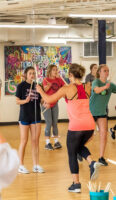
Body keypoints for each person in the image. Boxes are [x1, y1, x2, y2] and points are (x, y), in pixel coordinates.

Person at [36, 63, 101, 193]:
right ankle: (92, 162)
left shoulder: (67, 89)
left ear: (70, 75)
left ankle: (76, 184)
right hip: (89, 125)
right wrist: (51, 103)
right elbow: (58, 101)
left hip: (76, 125)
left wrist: (40, 90)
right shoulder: (87, 86)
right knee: (77, 147)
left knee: (72, 153)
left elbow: (48, 98)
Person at [15, 66, 44, 174]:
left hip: (36, 117)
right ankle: (20, 165)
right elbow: (17, 101)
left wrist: (45, 102)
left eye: (33, 73)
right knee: (24, 141)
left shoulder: (38, 86)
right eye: (30, 73)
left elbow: (40, 100)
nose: (32, 75)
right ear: (26, 75)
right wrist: (25, 100)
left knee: (35, 141)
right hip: (24, 116)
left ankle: (36, 165)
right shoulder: (21, 86)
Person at [89, 64, 116, 166]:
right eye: (105, 70)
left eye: (108, 71)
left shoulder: (111, 85)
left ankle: (101, 157)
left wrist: (108, 86)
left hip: (102, 113)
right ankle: (79, 149)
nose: (107, 72)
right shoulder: (96, 82)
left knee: (104, 135)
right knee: (90, 136)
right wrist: (105, 87)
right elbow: (96, 90)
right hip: (91, 112)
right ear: (99, 72)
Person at [42, 64, 65, 150]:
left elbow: (65, 87)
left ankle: (56, 141)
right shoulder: (45, 79)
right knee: (49, 123)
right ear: (50, 71)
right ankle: (47, 143)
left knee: (55, 122)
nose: (56, 71)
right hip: (46, 104)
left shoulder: (59, 80)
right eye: (54, 70)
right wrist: (49, 85)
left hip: (55, 103)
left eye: (56, 70)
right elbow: (45, 90)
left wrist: (61, 78)